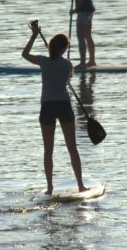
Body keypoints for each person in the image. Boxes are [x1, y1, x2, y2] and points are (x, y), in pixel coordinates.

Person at [22, 21, 87, 195]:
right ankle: (81, 185)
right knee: (72, 147)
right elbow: (67, 76)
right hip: (64, 105)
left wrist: (35, 35)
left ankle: (50, 188)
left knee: (48, 149)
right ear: (64, 49)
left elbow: (25, 54)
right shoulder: (67, 65)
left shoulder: (43, 61)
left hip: (47, 107)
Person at [69, 0, 96, 70]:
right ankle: (91, 61)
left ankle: (83, 63)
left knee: (81, 36)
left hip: (84, 11)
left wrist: (74, 10)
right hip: (89, 10)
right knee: (88, 35)